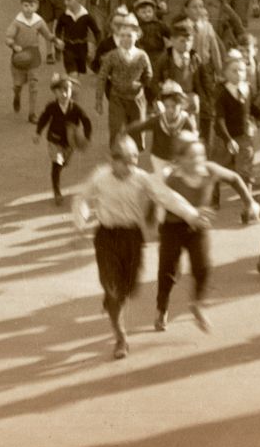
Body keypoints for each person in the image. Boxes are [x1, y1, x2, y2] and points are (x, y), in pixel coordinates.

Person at [75, 136, 202, 359]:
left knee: (128, 289)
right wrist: (80, 221)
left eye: (134, 159)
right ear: (111, 159)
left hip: (132, 238)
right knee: (116, 292)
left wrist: (192, 214)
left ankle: (111, 294)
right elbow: (82, 198)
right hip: (106, 236)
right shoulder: (100, 176)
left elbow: (167, 197)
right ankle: (121, 338)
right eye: (124, 160)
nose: (130, 165)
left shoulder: (142, 178)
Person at [152, 135, 256, 334]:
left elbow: (234, 178)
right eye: (191, 156)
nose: (197, 160)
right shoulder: (173, 178)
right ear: (180, 159)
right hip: (172, 228)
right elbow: (158, 200)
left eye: (200, 155)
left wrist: (249, 202)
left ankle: (197, 304)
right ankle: (161, 308)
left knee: (204, 268)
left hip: (198, 228)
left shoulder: (210, 170)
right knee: (168, 272)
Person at [30, 74, 94, 205]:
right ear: (55, 92)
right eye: (61, 91)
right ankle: (57, 192)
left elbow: (86, 121)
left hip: (70, 143)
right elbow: (43, 119)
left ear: (71, 91)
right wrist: (38, 133)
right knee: (57, 164)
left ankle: (59, 171)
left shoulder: (75, 108)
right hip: (54, 140)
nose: (64, 94)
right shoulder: (52, 107)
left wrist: (87, 137)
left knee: (64, 163)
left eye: (67, 90)